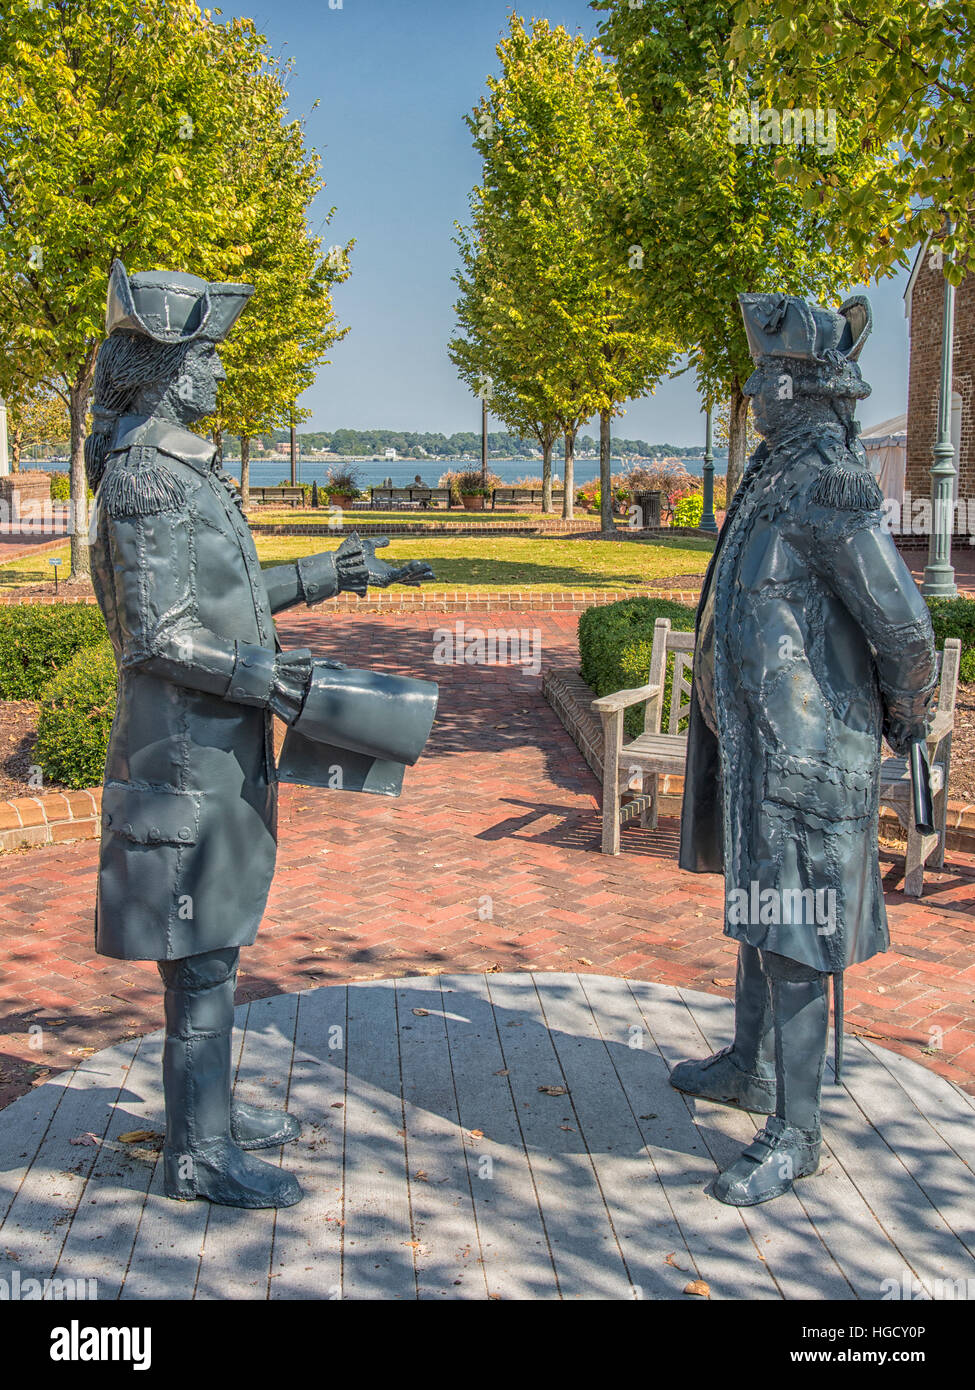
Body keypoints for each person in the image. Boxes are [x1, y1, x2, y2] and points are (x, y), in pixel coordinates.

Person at [87, 263, 436, 1209]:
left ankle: (211, 1119)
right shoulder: (144, 479)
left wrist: (333, 569)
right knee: (198, 957)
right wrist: (265, 680)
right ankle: (197, 1156)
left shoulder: (169, 468)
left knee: (215, 950)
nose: (214, 377)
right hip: (184, 760)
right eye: (202, 360)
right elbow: (156, 636)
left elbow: (224, 599)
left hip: (214, 753)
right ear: (160, 369)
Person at [673, 292, 938, 1206]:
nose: (753, 389)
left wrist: (905, 713)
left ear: (812, 390)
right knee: (757, 909)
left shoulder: (829, 480)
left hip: (806, 755)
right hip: (755, 745)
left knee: (794, 936)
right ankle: (749, 1066)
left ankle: (796, 1130)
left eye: (770, 376)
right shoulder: (773, 473)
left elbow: (902, 624)